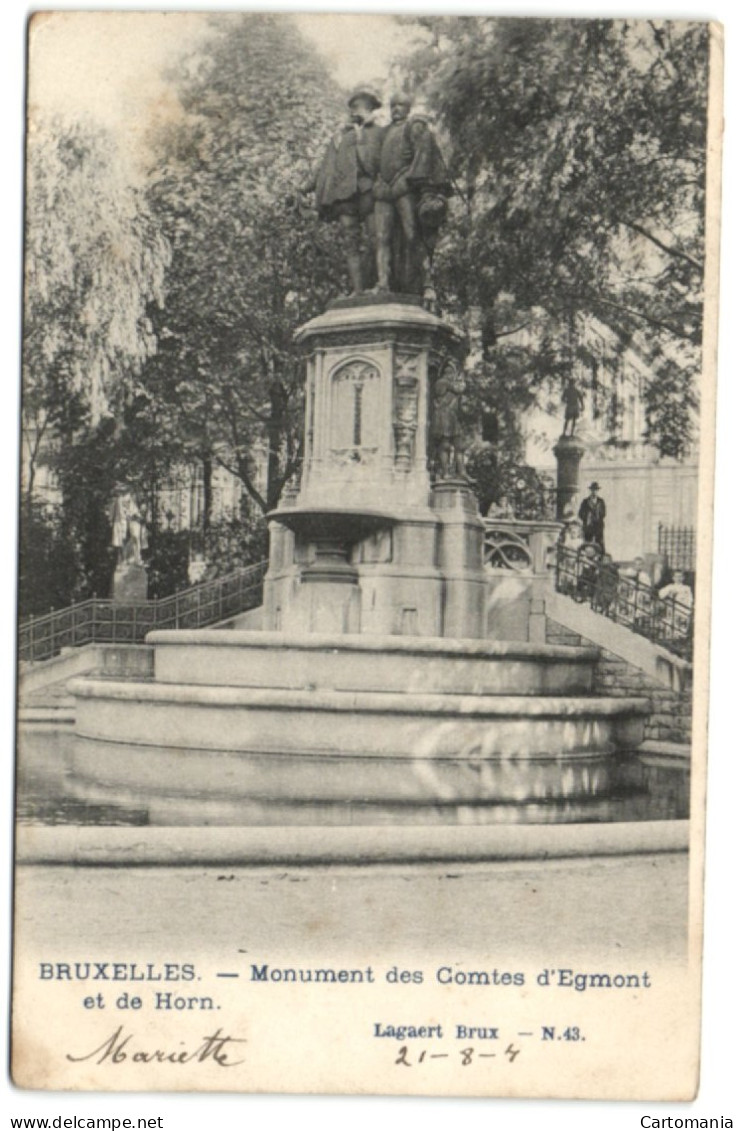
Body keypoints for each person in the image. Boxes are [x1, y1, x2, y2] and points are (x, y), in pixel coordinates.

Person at [301, 87, 384, 294]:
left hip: (369, 191)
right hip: (345, 196)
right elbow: (324, 167)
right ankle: (357, 290)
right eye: (354, 107)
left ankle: (382, 284)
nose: (357, 111)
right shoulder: (339, 136)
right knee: (351, 242)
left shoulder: (379, 133)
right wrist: (305, 188)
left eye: (363, 106)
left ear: (371, 108)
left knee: (378, 237)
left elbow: (385, 162)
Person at [373, 92, 451, 301]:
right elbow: (373, 160)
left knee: (413, 234)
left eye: (401, 105)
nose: (396, 109)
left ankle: (427, 284)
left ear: (408, 107)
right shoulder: (384, 132)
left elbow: (422, 157)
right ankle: (383, 283)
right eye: (393, 105)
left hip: (405, 187)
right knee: (381, 237)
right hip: (383, 189)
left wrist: (408, 179)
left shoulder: (414, 127)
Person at [578, 482, 606, 551]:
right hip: (588, 526)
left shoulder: (601, 501)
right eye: (593, 490)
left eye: (596, 490)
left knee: (599, 542)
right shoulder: (585, 501)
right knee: (587, 543)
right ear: (590, 491)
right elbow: (580, 513)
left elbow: (604, 513)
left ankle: (600, 558)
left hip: (598, 526)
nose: (594, 492)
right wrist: (587, 516)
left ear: (597, 491)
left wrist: (597, 515)